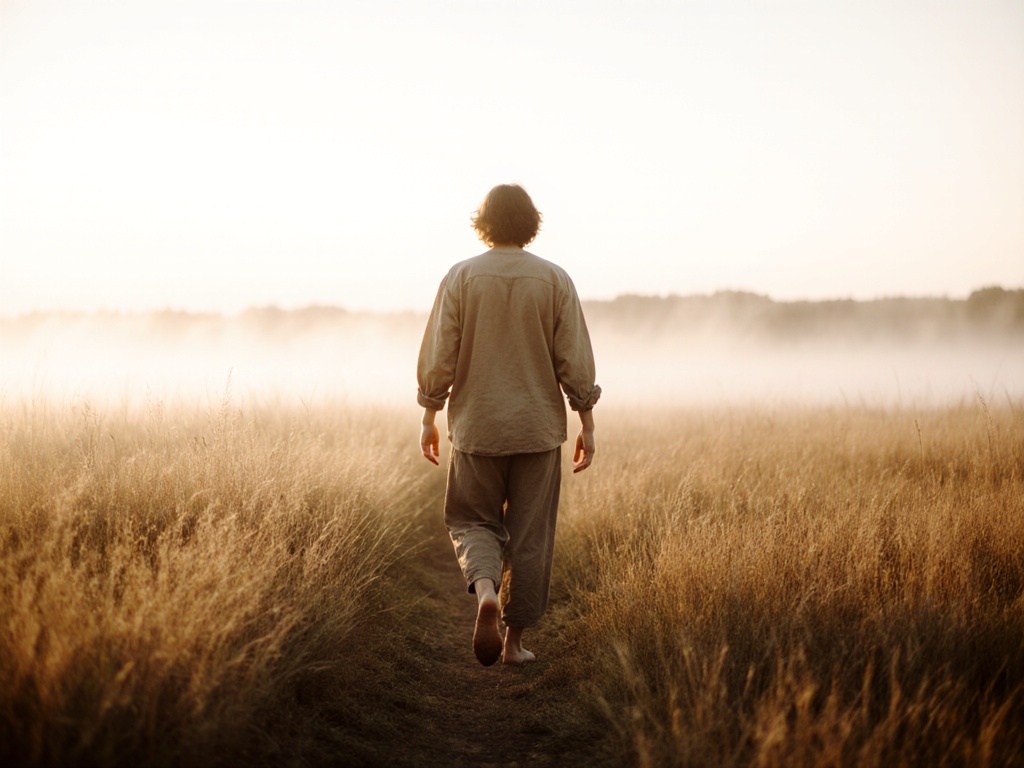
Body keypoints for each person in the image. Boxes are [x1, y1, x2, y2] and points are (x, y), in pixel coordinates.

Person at [416, 183, 601, 666]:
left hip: (477, 428)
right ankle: (515, 643)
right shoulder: (555, 279)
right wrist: (587, 419)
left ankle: (485, 594)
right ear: (530, 223)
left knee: (472, 519)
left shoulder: (461, 277)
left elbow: (441, 355)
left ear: (485, 222)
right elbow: (574, 359)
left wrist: (430, 414)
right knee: (531, 534)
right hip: (538, 430)